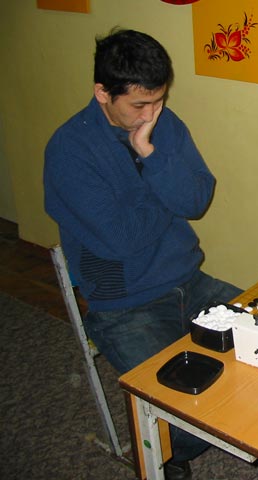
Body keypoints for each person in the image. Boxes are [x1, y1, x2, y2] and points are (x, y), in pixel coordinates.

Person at [44, 28, 242, 480]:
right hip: (125, 303)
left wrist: (150, 155)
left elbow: (196, 200)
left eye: (159, 100)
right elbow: (122, 240)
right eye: (139, 105)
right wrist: (164, 186)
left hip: (190, 280)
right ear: (102, 93)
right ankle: (162, 455)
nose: (151, 114)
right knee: (190, 417)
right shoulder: (69, 151)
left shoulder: (162, 125)